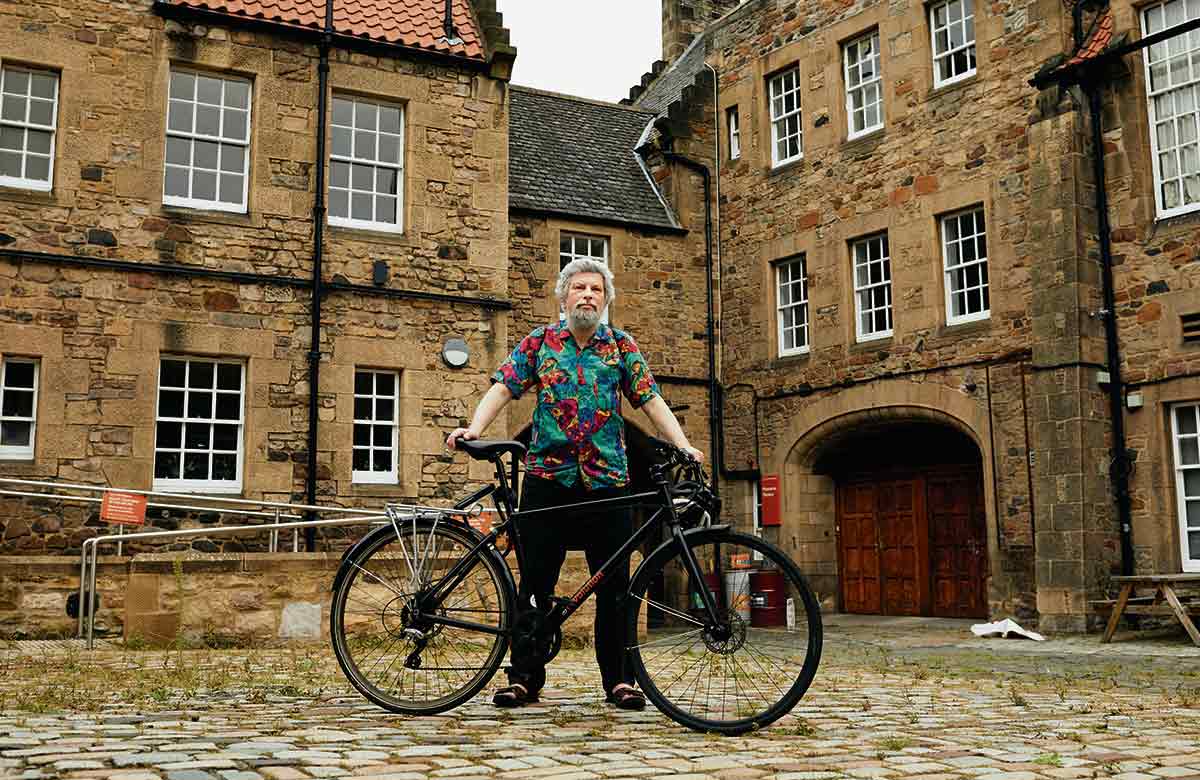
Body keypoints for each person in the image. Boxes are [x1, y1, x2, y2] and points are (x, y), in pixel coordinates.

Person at [446, 258, 703, 711]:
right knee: (535, 582)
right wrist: (474, 427)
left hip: (608, 481)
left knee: (616, 586)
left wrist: (683, 444)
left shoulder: (621, 347)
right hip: (548, 478)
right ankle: (524, 677)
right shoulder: (539, 343)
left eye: (596, 290)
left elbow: (649, 400)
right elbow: (505, 387)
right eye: (579, 288)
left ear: (605, 300)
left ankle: (620, 681)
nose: (588, 295)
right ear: (563, 297)